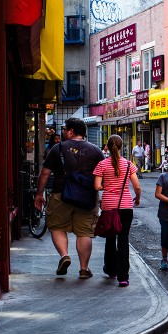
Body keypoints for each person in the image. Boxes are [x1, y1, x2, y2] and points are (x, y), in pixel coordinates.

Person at [35, 117, 105, 279]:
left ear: (71, 131)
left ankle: (65, 256)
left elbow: (45, 173)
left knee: (57, 226)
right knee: (84, 232)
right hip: (87, 196)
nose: (63, 132)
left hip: (61, 194)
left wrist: (39, 194)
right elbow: (104, 175)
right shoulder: (95, 150)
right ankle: (84, 269)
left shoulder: (57, 149)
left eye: (65, 129)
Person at [93, 135, 141, 287]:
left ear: (107, 147)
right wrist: (137, 197)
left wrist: (107, 187)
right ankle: (123, 277)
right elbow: (137, 186)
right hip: (125, 205)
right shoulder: (128, 165)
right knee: (123, 239)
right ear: (121, 147)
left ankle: (111, 270)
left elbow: (97, 186)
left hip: (108, 206)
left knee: (110, 237)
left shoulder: (102, 164)